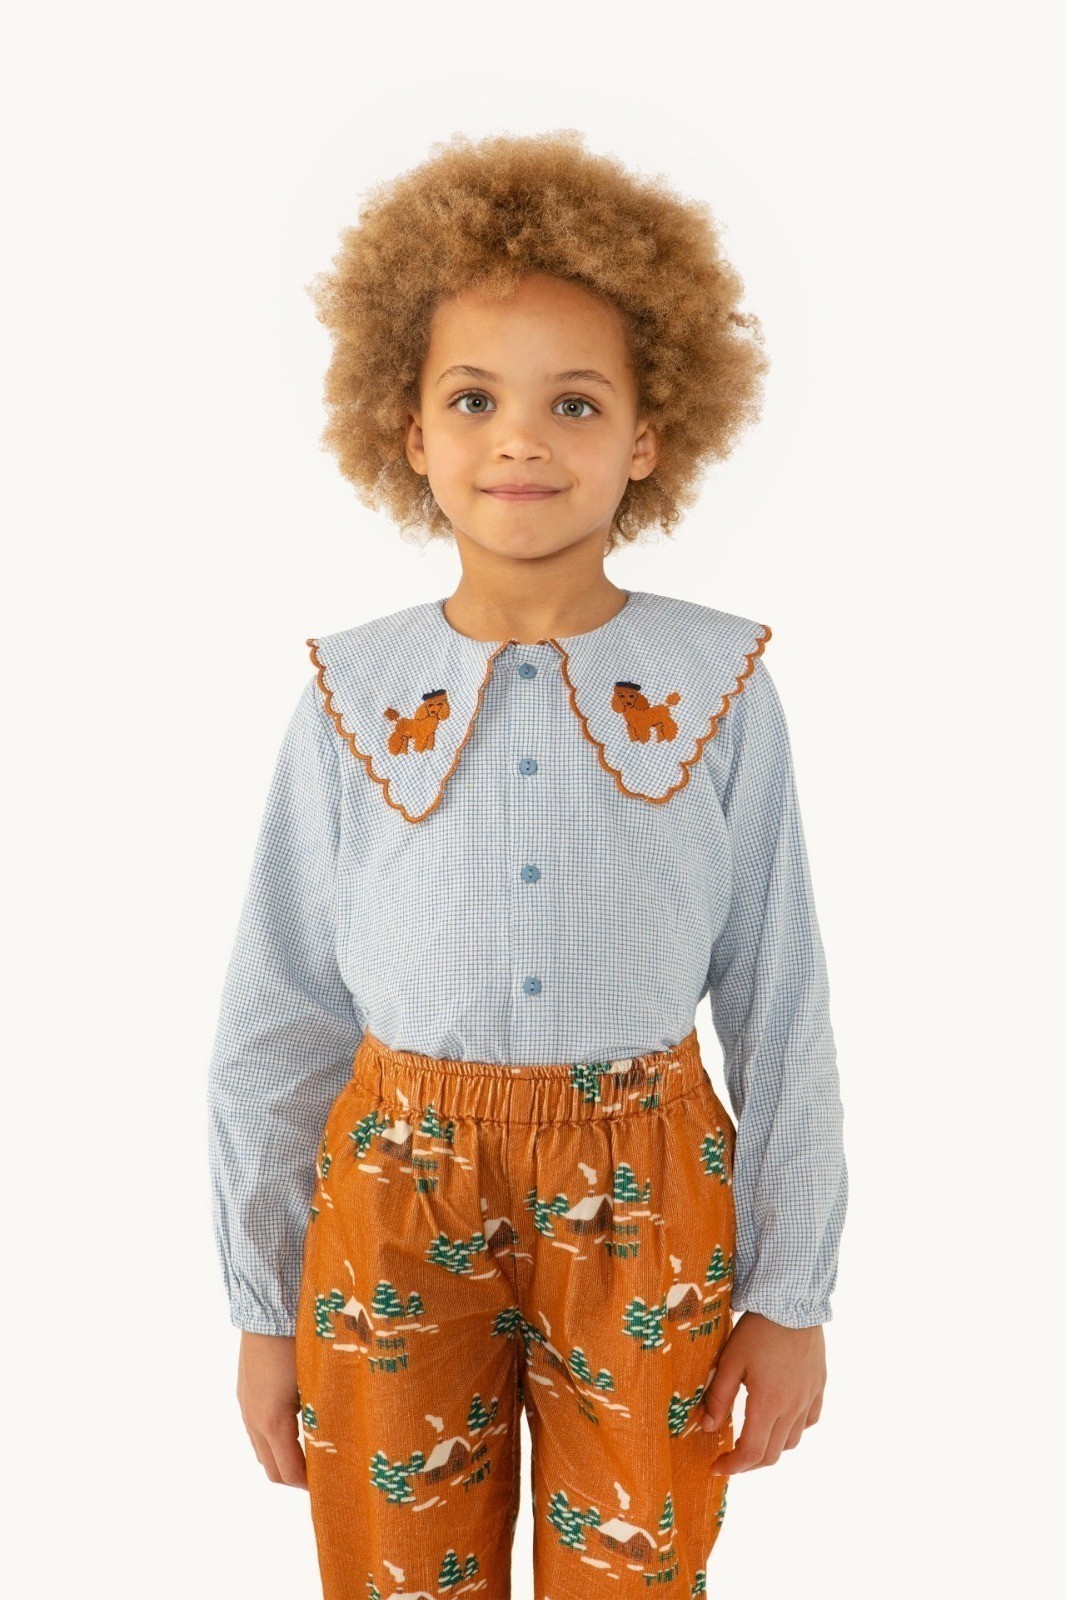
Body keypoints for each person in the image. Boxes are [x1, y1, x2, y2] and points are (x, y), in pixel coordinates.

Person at [207, 128, 848, 1598]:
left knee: (636, 1570)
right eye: (473, 399)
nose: (520, 439)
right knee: (397, 1573)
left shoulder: (718, 688)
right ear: (408, 432)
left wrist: (793, 1293)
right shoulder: (352, 696)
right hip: (392, 1198)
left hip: (648, 1191)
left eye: (574, 402)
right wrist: (260, 1305)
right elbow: (278, 1010)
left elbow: (781, 999)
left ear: (646, 437)